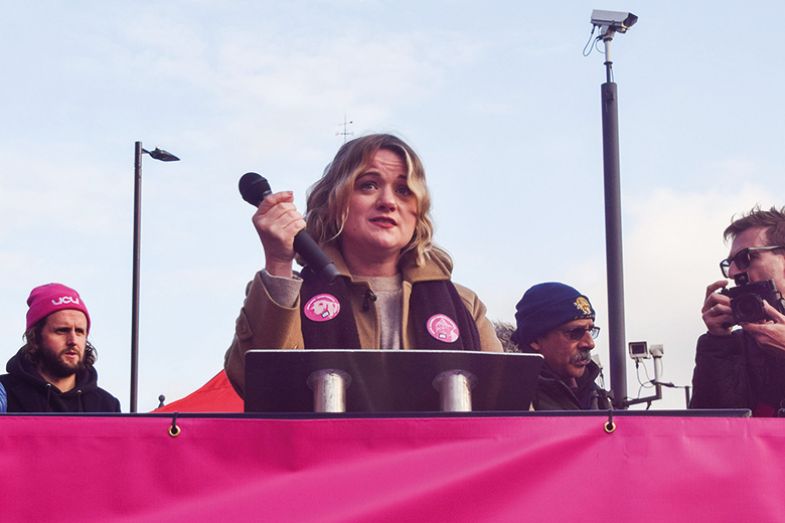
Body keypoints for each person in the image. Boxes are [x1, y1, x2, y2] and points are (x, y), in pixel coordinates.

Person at [224, 134, 502, 395]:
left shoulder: (465, 305)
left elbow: (511, 414)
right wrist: (278, 261)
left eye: (404, 190)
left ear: (418, 212)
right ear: (334, 201)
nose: (388, 202)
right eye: (368, 185)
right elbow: (255, 384)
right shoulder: (289, 297)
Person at [691, 206, 785, 416]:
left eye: (745, 258)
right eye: (729, 264)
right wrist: (718, 342)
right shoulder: (737, 343)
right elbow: (711, 431)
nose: (733, 273)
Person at [0, 283, 121, 412]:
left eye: (80, 331)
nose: (73, 340)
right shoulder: (4, 395)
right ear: (34, 337)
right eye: (62, 330)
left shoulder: (107, 406)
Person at [510, 282, 610, 410]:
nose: (590, 343)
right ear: (535, 339)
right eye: (575, 332)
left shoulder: (596, 397)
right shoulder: (508, 400)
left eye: (590, 330)